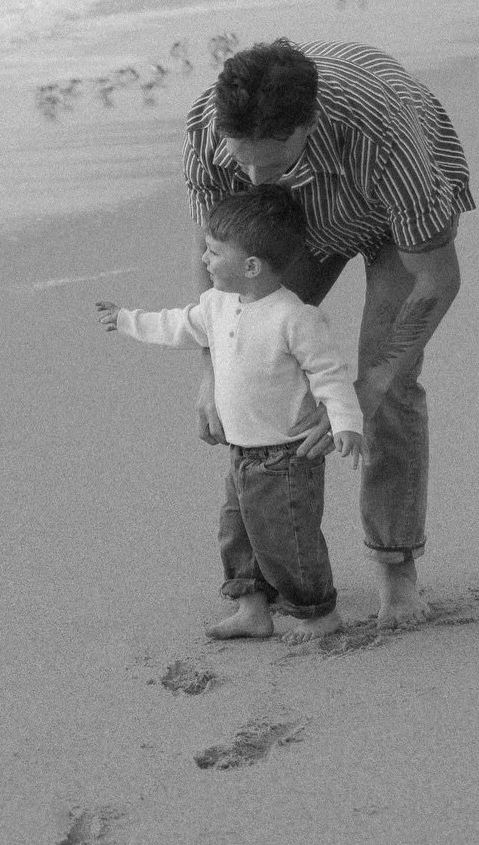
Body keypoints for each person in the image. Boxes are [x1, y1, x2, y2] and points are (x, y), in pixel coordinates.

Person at [184, 39, 472, 629]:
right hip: (289, 224)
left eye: (272, 162)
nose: (256, 178)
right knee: (251, 365)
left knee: (388, 387)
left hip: (391, 216)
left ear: (308, 124)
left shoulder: (383, 136)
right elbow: (216, 258)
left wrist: (370, 383)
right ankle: (255, 589)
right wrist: (212, 371)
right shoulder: (209, 128)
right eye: (243, 161)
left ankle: (397, 570)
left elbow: (437, 277)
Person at [98, 186, 365, 642]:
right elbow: (176, 325)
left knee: (288, 540)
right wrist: (126, 319)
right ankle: (251, 608)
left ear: (251, 266)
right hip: (240, 452)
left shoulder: (295, 318)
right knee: (236, 533)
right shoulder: (216, 305)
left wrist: (346, 423)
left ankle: (317, 612)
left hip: (288, 457)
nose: (204, 259)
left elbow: (330, 375)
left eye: (214, 252)